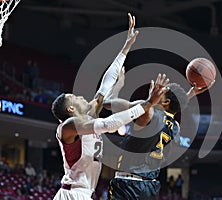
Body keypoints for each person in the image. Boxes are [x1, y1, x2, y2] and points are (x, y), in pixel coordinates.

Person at [52, 13, 170, 200]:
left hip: (84, 193)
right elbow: (109, 124)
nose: (81, 97)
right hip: (71, 194)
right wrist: (147, 104)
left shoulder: (87, 116)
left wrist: (125, 48)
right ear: (70, 109)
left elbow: (105, 85)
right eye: (75, 98)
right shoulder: (69, 126)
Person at [105, 78, 208, 199]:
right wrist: (189, 94)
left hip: (128, 185)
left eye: (161, 92)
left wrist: (120, 86)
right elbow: (172, 108)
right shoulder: (175, 126)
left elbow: (107, 104)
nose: (157, 93)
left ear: (166, 102)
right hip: (150, 187)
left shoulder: (147, 113)